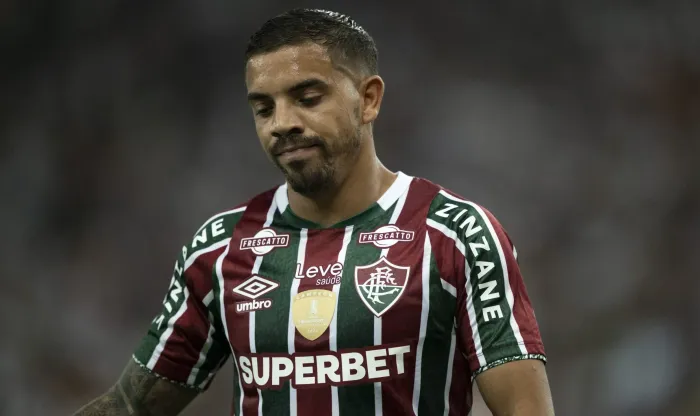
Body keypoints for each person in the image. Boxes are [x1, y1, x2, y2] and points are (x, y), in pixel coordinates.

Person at [74, 8, 554, 416]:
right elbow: (131, 405)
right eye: (264, 109)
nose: (282, 124)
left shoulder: (456, 235)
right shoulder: (219, 248)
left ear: (368, 99)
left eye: (307, 99)